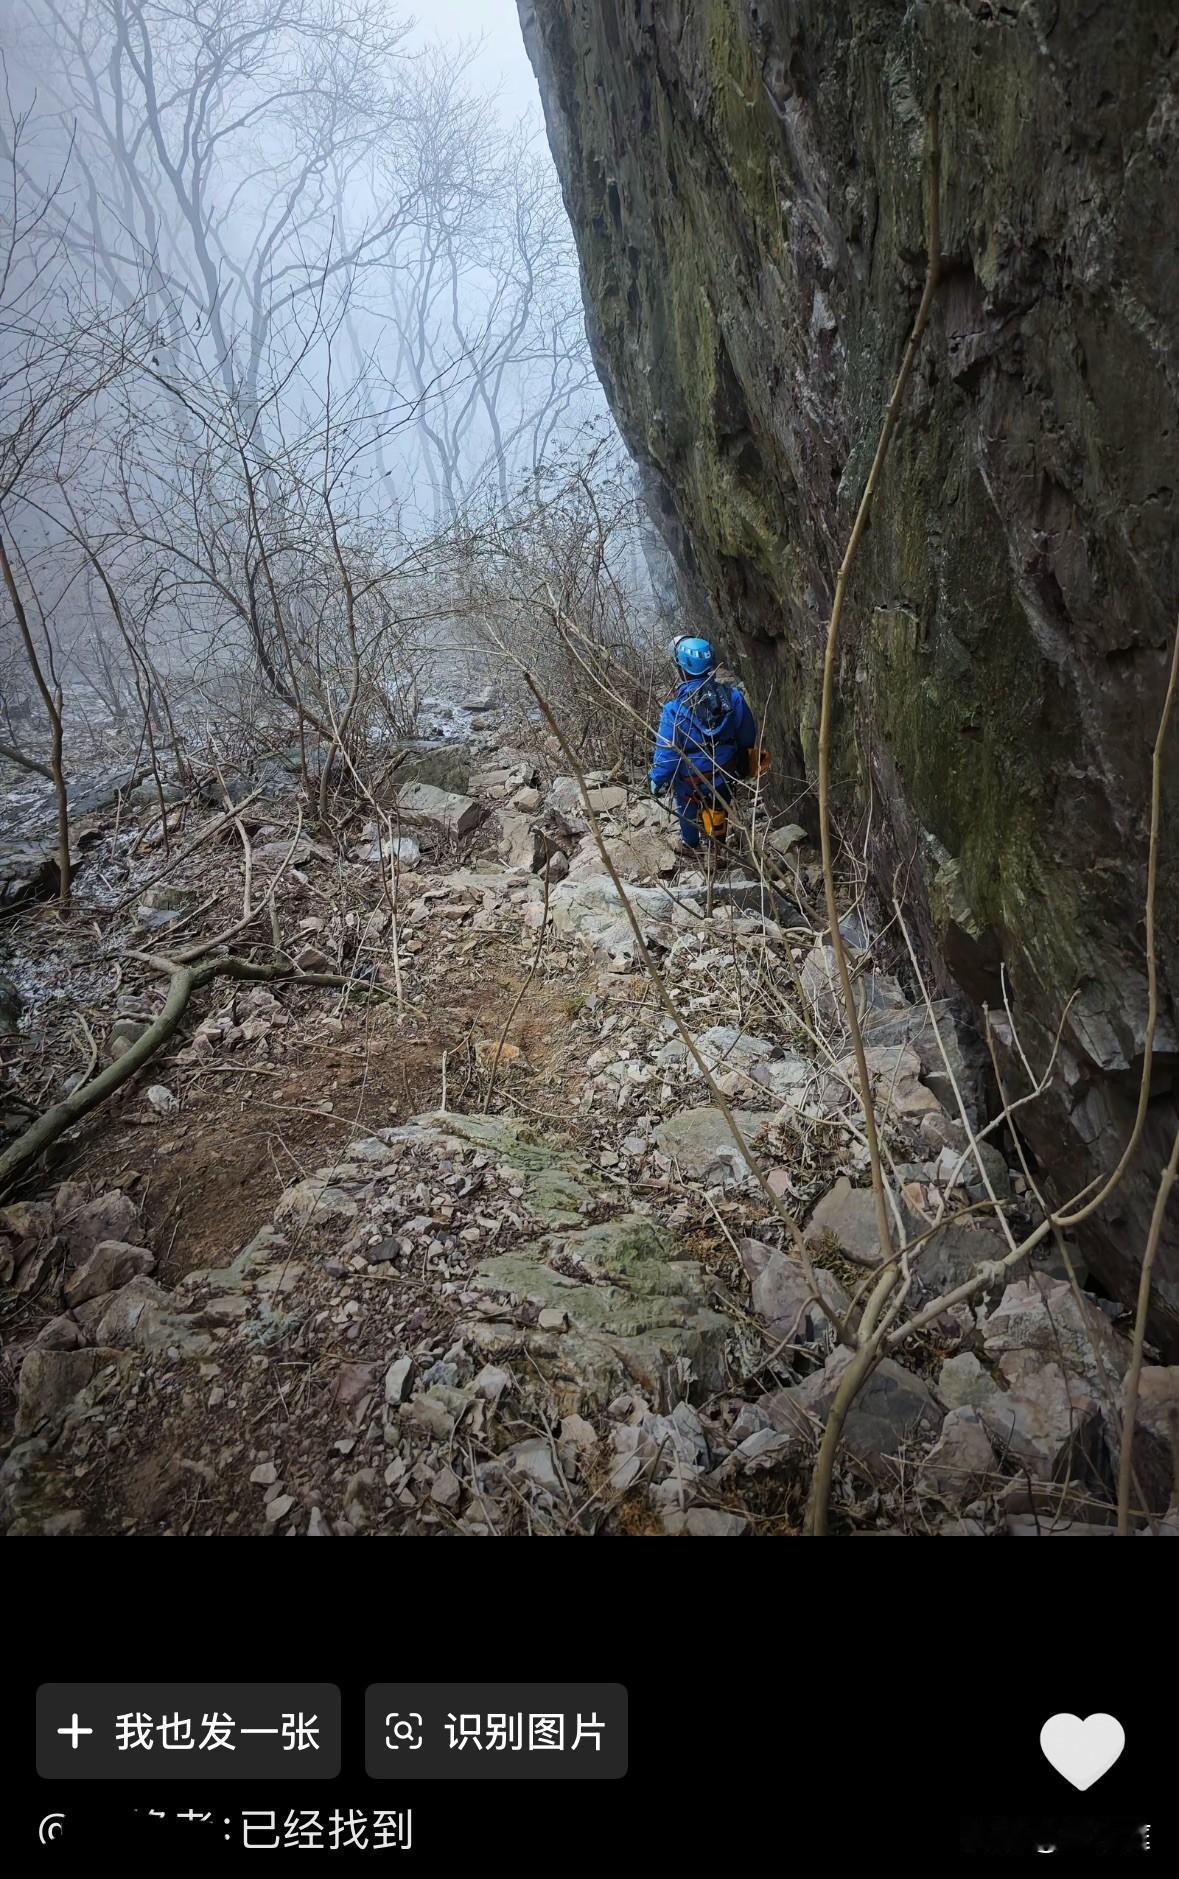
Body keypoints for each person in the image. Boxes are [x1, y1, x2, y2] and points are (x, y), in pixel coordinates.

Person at [648, 634, 758, 851]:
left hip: (692, 780)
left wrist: (656, 781)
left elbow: (667, 754)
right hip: (726, 771)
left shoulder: (674, 710)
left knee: (686, 801)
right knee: (720, 802)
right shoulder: (733, 697)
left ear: (682, 669)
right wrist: (743, 763)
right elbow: (747, 735)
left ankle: (690, 843)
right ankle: (718, 844)